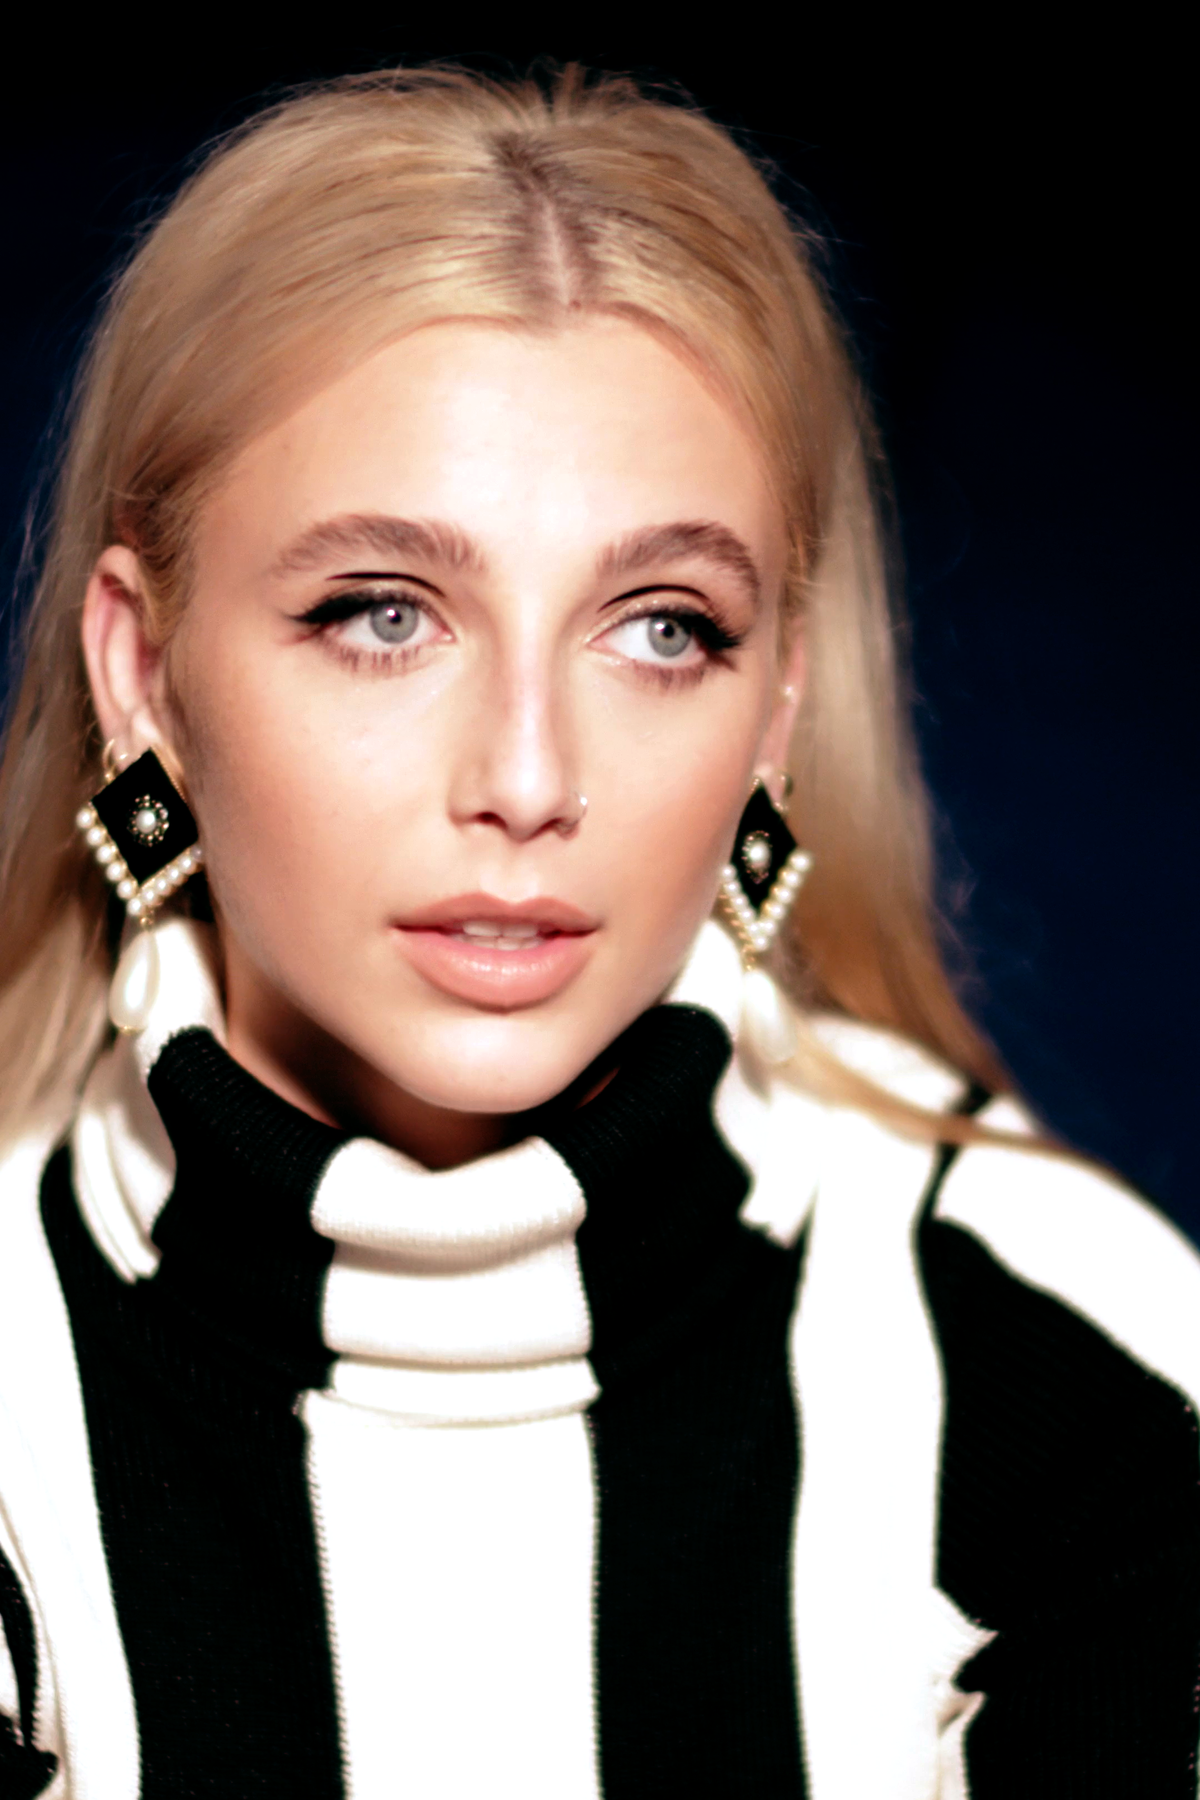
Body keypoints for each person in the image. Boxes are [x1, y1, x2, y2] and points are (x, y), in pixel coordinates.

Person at [0, 64, 1197, 1800]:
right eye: (383, 613)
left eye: (660, 628)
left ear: (775, 709)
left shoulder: (1096, 1382)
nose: (526, 779)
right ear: (142, 675)